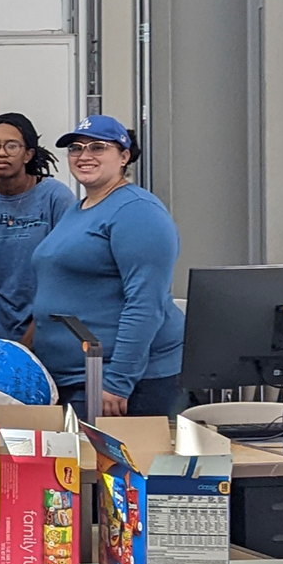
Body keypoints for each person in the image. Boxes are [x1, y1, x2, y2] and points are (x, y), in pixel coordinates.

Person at [30, 116, 185, 417]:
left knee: (122, 465)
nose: (84, 156)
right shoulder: (80, 209)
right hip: (74, 378)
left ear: (124, 156)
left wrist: (118, 381)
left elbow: (145, 303)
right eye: (76, 148)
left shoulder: (137, 211)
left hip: (124, 382)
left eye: (98, 147)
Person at [0, 113, 73, 342]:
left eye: (11, 146)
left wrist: (28, 342)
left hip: (51, 330)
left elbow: (65, 276)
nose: (1, 153)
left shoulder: (56, 198)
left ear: (28, 154)